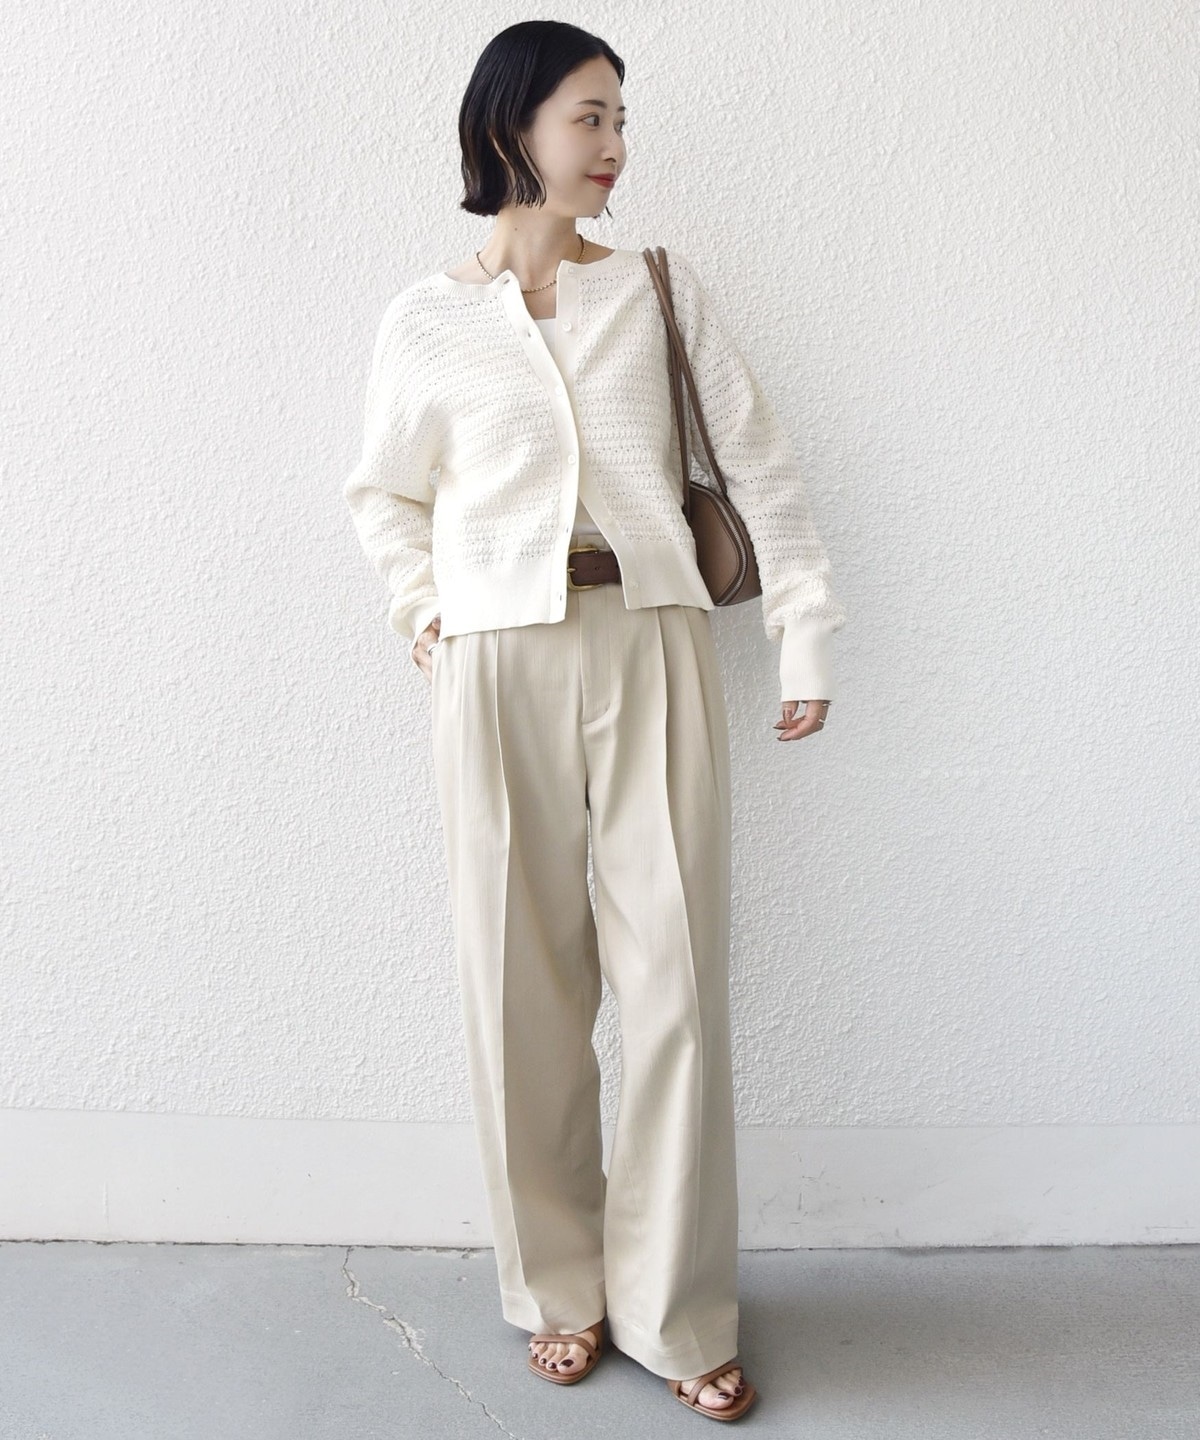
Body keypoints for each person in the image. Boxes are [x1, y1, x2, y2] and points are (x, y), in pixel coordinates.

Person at [343, 19, 846, 1423]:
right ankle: (556, 1291)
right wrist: (427, 617)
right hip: (495, 659)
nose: (616, 144)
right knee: (520, 987)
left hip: (654, 640)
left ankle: (678, 1310)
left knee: (674, 982)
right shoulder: (424, 319)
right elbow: (384, 493)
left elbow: (761, 465)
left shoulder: (658, 291)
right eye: (590, 116)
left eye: (621, 117)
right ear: (511, 125)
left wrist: (803, 632)